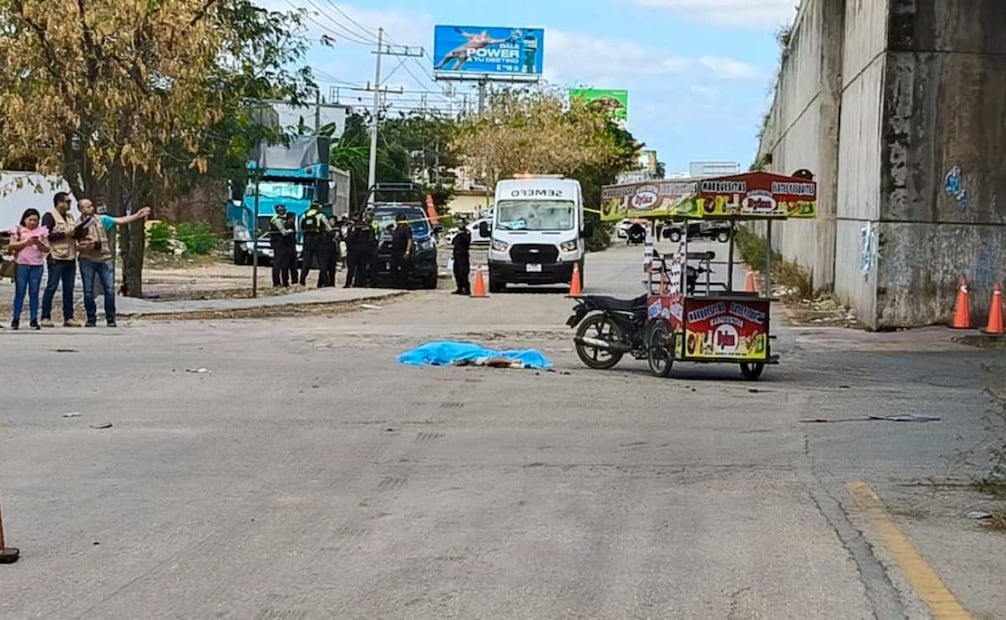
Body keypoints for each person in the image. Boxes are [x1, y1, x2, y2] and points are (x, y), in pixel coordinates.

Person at [73, 198, 151, 327]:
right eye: (87, 207)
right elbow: (73, 244)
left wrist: (137, 215)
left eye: (91, 206)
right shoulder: (76, 225)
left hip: (104, 259)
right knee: (88, 290)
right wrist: (85, 246)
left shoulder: (101, 219)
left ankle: (110, 318)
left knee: (109, 289)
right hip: (87, 259)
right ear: (80, 209)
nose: (91, 208)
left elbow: (120, 220)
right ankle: (91, 318)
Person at [40, 192, 82, 327]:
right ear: (59, 202)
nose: (69, 204)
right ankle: (45, 316)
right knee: (52, 286)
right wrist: (64, 234)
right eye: (67, 201)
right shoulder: (49, 216)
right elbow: (46, 235)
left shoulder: (70, 217)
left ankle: (69, 317)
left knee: (69, 288)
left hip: (70, 256)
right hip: (56, 257)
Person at [8, 208, 50, 330]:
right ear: (24, 219)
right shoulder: (18, 230)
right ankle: (16, 318)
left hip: (37, 265)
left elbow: (47, 248)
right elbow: (12, 245)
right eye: (30, 220)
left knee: (34, 293)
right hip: (22, 264)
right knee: (20, 292)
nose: (32, 222)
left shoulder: (42, 231)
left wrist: (39, 244)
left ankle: (33, 319)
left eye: (35, 220)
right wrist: (26, 241)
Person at [299, 203, 332, 288]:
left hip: (307, 241)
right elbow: (329, 228)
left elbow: (301, 227)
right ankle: (325, 281)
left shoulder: (305, 215)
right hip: (318, 241)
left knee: (306, 263)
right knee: (322, 262)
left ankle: (302, 280)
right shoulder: (320, 215)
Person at [268, 205, 295, 287]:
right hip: (279, 244)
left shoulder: (281, 219)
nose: (282, 211)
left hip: (283, 244)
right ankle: (276, 282)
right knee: (278, 263)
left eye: (283, 210)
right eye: (280, 210)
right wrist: (290, 231)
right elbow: (283, 232)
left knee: (285, 264)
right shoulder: (276, 220)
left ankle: (285, 281)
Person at [344, 217, 370, 288]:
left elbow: (349, 239)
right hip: (362, 250)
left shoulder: (354, 228)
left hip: (355, 251)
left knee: (353, 268)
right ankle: (360, 283)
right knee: (360, 268)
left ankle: (350, 283)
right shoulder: (365, 227)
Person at [390, 213, 414, 289]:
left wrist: (407, 251)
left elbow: (409, 240)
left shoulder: (406, 229)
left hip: (402, 251)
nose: (399, 221)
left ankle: (403, 284)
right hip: (394, 251)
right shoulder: (397, 229)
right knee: (393, 267)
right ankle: (395, 283)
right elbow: (394, 236)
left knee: (403, 269)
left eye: (401, 220)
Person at [451, 217, 472, 295]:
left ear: (464, 224)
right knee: (457, 272)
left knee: (463, 272)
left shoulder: (467, 232)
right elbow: (453, 242)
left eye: (461, 223)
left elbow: (467, 240)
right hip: (456, 255)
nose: (459, 225)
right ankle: (459, 288)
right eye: (458, 223)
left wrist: (461, 233)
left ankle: (466, 289)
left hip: (463, 255)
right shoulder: (458, 233)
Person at [321, 216, 340, 288]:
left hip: (333, 251)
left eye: (334, 221)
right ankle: (323, 282)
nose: (333, 222)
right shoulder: (324, 230)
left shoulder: (336, 230)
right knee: (324, 267)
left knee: (332, 268)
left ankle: (332, 283)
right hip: (325, 250)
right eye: (332, 220)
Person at [284, 211, 299, 286]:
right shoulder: (286, 224)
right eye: (292, 218)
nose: (293, 219)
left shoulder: (292, 225)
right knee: (286, 266)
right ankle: (285, 281)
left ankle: (295, 280)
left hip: (292, 246)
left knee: (294, 265)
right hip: (286, 247)